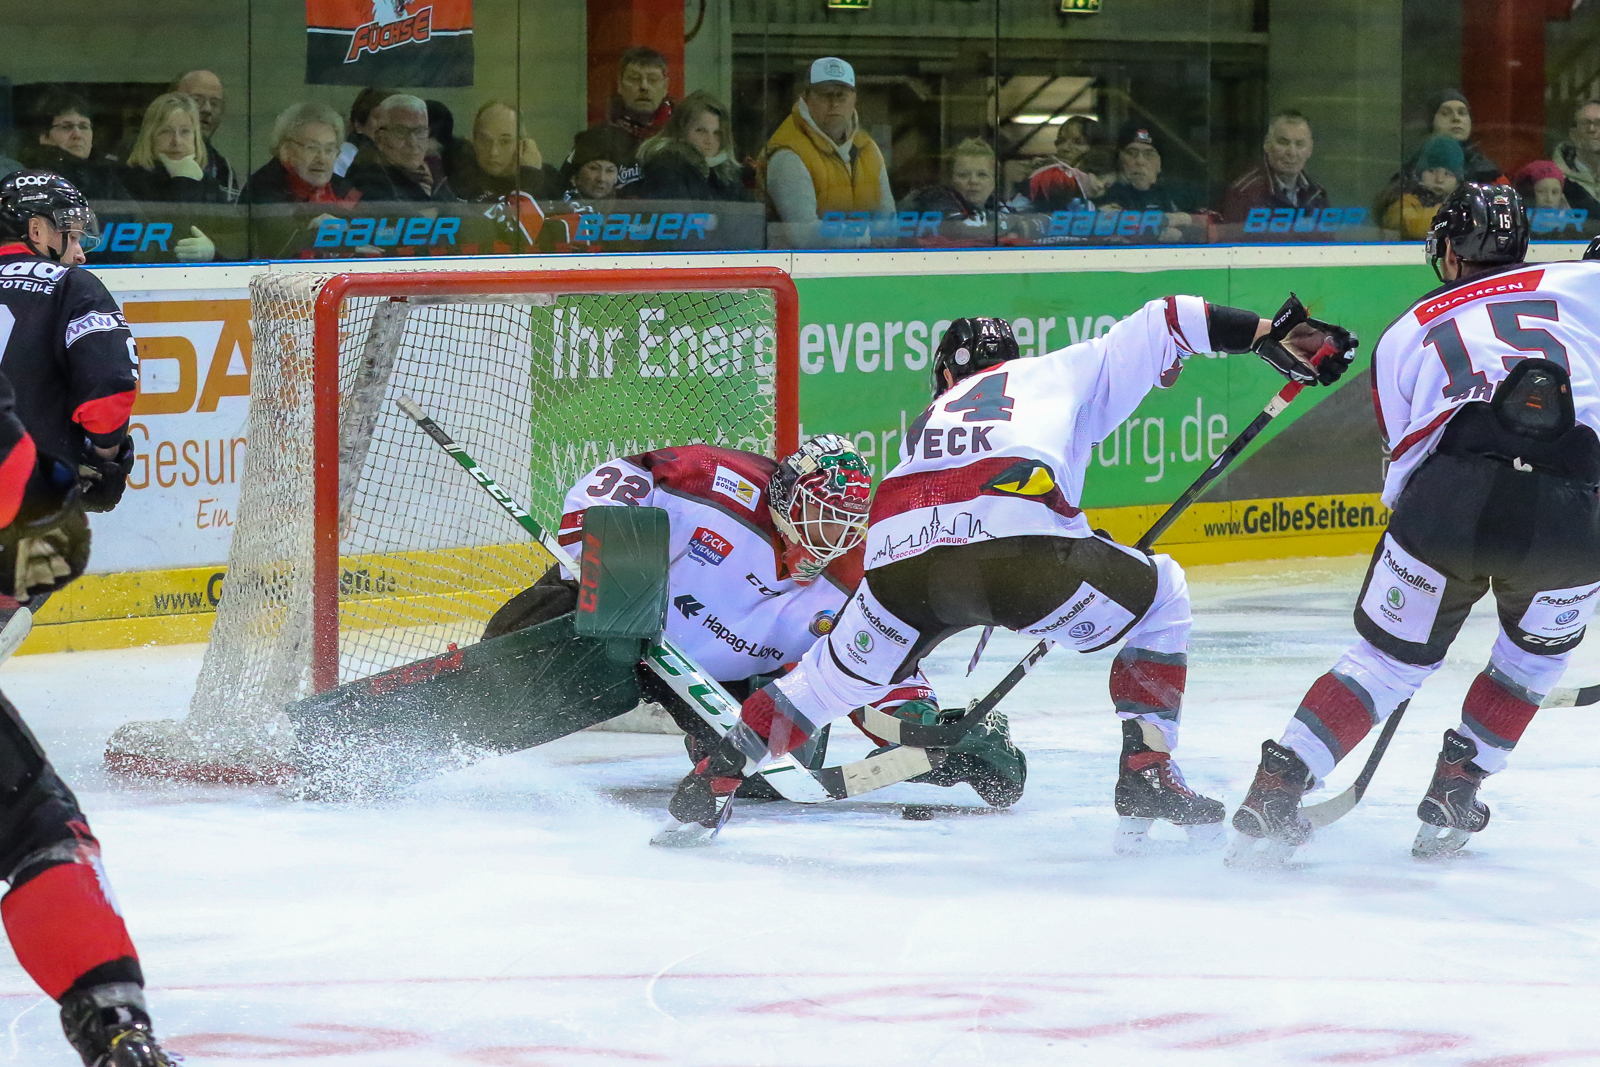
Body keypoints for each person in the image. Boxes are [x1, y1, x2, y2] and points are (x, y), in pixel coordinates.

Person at [665, 307, 1356, 845]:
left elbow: (960, 536)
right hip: (1016, 546)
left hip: (901, 546)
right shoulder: (1056, 370)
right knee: (1164, 594)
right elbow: (1165, 318)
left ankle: (714, 777)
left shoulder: (928, 420)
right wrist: (1273, 334)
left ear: (945, 377)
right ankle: (1146, 772)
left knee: (824, 680)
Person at [1230, 183, 1600, 863]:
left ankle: (1276, 785)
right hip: (1573, 512)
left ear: (1451, 255)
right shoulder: (1581, 284)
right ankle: (1460, 783)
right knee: (1530, 658)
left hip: (1446, 503)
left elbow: (1404, 462)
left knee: (1384, 664)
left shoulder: (1407, 329)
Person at [483, 436, 1022, 807]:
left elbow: (873, 662)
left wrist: (921, 730)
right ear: (785, 496)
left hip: (710, 679)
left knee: (764, 770)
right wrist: (597, 547)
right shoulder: (716, 484)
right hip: (612, 627)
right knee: (496, 677)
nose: (830, 539)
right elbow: (626, 477)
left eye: (846, 526)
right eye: (821, 516)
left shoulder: (857, 576)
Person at [0, 171, 170, 1065]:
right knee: (34, 827)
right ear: (35, 227)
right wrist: (102, 459)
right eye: (67, 225)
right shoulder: (69, 284)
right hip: (22, 526)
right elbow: (104, 392)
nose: (79, 239)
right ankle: (112, 1027)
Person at [759, 56, 894, 247]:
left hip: (864, 268)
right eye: (825, 95)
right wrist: (865, 237)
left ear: (854, 98)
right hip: (801, 272)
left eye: (841, 95)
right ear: (805, 98)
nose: (834, 103)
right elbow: (804, 235)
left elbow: (890, 224)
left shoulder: (868, 149)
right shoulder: (788, 153)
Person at [118, 93, 221, 263]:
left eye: (185, 132)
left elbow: (234, 237)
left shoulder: (208, 183)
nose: (176, 141)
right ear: (150, 136)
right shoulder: (130, 181)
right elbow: (167, 241)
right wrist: (183, 182)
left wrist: (214, 249)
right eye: (166, 132)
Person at [631, 91, 752, 203]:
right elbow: (678, 220)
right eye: (700, 131)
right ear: (681, 131)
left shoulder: (725, 173)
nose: (710, 141)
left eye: (717, 133)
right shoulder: (667, 167)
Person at [899, 138, 1026, 244]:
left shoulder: (996, 204)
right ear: (949, 179)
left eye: (982, 175)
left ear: (994, 180)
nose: (973, 181)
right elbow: (961, 231)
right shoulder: (934, 199)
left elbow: (1031, 224)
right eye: (963, 175)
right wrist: (1014, 226)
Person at [1220, 110, 1330, 225]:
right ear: (1267, 145)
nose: (1292, 152)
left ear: (1310, 150)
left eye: (1300, 144)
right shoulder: (1243, 193)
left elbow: (1328, 240)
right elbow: (1232, 240)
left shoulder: (1317, 194)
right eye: (1283, 142)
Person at [19, 92, 131, 203]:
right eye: (66, 127)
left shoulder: (107, 173)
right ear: (43, 136)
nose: (77, 135)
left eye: (84, 127)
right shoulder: (31, 178)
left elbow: (133, 215)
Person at [343, 94, 457, 203]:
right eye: (401, 132)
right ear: (380, 137)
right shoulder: (367, 176)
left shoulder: (432, 173)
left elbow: (459, 216)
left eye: (420, 131)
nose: (413, 142)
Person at [241, 102, 360, 205]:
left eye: (329, 150)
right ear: (286, 152)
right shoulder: (262, 192)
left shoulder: (345, 191)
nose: (322, 159)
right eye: (312, 148)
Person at [1097, 121, 1195, 241]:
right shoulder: (1105, 194)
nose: (1140, 161)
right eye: (1131, 153)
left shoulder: (1174, 196)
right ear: (1120, 159)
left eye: (1149, 154)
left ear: (1159, 164)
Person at [450, 101, 562, 202]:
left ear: (522, 144)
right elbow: (500, 222)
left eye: (505, 141)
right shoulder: (462, 180)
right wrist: (530, 179)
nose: (493, 152)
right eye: (485, 140)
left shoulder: (549, 176)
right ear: (474, 141)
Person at [173, 70, 241, 203]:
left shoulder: (224, 170)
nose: (207, 109)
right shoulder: (146, 159)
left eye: (215, 103)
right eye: (197, 100)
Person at [1378, 134, 1463, 240]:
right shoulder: (1402, 200)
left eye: (1448, 173)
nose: (1439, 179)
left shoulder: (1463, 201)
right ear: (1419, 174)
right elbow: (1412, 226)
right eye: (1432, 171)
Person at [1412, 89, 1501, 185]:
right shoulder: (1413, 169)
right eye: (1445, 113)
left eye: (1462, 113)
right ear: (1431, 122)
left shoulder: (1489, 173)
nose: (1456, 118)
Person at [1027, 115, 1104, 213]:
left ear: (1097, 149)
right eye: (1061, 141)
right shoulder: (1045, 177)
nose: (1064, 148)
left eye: (1078, 142)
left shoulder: (1110, 188)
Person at [607, 45, 674, 146]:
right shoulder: (600, 138)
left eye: (653, 79)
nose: (644, 86)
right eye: (634, 78)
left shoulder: (680, 136)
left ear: (665, 87)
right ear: (620, 85)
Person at [560, 125, 636, 206]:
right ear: (574, 177)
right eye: (594, 169)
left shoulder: (628, 208)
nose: (601, 178)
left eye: (610, 171)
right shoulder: (557, 206)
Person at [1553, 100, 1600, 219]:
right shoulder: (1555, 181)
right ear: (1573, 134)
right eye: (1585, 123)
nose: (1592, 129)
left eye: (1599, 123)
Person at [333, 86, 393, 179]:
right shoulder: (343, 157)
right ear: (359, 124)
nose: (386, 124)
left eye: (392, 118)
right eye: (379, 117)